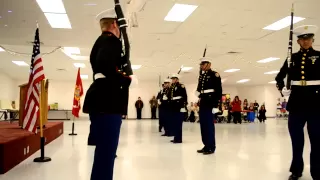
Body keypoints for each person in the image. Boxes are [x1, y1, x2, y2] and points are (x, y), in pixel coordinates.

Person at [82, 8, 133, 180]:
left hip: (101, 99)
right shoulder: (111, 41)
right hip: (107, 100)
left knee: (104, 150)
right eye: (119, 25)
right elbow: (107, 66)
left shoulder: (101, 41)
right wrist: (128, 79)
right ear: (114, 24)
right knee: (107, 151)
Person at [275, 25, 320, 180]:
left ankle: (317, 171)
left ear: (312, 39)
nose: (306, 41)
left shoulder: (319, 56)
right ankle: (296, 170)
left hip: (316, 103)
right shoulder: (291, 58)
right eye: (303, 39)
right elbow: (279, 77)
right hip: (296, 103)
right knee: (297, 141)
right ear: (298, 41)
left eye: (309, 38)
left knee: (317, 141)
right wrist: (283, 89)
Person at [195, 57, 222, 155]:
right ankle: (206, 145)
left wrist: (216, 105)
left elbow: (218, 91)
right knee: (203, 125)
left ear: (208, 64)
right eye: (201, 65)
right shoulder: (202, 76)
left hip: (210, 102)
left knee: (209, 126)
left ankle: (211, 147)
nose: (201, 66)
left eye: (203, 64)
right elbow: (200, 87)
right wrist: (198, 92)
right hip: (203, 101)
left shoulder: (215, 75)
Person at [168, 74, 188, 143]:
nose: (172, 80)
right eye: (172, 79)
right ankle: (175, 137)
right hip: (173, 106)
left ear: (177, 79)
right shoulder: (172, 87)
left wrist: (183, 106)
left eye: (174, 79)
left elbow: (184, 96)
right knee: (174, 123)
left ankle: (179, 139)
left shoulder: (181, 86)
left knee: (178, 123)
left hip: (179, 106)